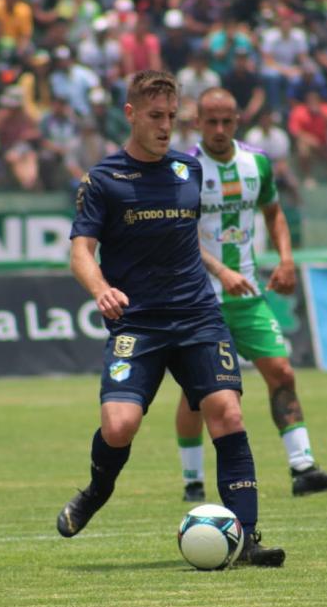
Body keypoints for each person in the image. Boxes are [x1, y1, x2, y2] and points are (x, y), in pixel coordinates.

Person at [57, 70, 285, 567]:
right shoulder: (103, 180)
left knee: (228, 412)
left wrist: (222, 269)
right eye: (155, 117)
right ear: (132, 114)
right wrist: (101, 288)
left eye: (172, 117)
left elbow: (194, 240)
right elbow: (79, 252)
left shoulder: (189, 170)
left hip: (198, 316)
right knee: (119, 427)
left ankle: (247, 538)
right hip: (138, 324)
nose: (166, 127)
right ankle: (96, 491)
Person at [173, 87, 327, 503]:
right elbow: (180, 232)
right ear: (197, 123)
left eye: (226, 121)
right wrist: (220, 270)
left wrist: (286, 260)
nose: (218, 129)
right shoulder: (184, 170)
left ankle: (303, 468)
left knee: (283, 373)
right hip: (199, 297)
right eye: (210, 121)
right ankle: (192, 480)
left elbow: (274, 214)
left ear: (237, 120)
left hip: (248, 295)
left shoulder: (256, 163)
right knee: (197, 392)